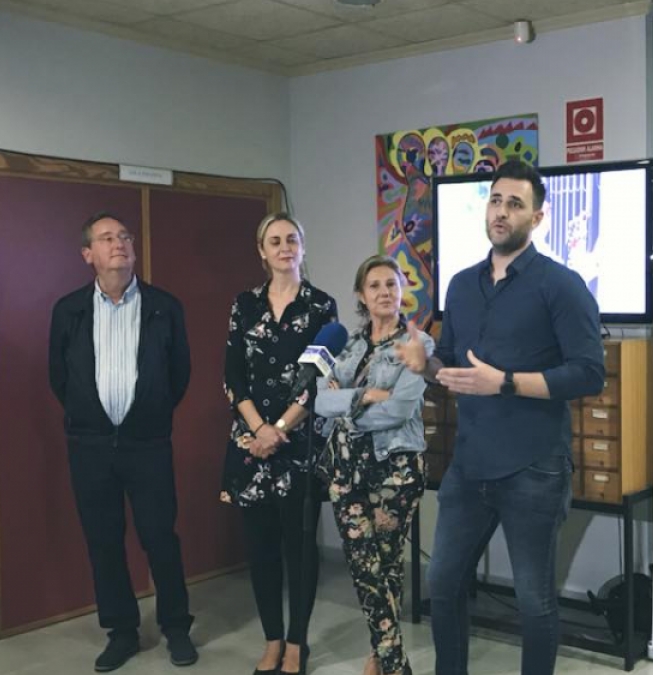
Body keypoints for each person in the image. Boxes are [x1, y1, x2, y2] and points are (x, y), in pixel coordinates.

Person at [396, 160, 605, 675]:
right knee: (443, 584)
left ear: (536, 217)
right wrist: (427, 366)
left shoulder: (561, 285)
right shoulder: (461, 286)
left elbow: (588, 374)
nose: (502, 212)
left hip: (534, 467)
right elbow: (451, 363)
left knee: (534, 601)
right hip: (470, 465)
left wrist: (506, 382)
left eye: (515, 204)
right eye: (495, 200)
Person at [48, 212, 197, 672]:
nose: (120, 243)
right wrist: (91, 416)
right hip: (90, 446)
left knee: (160, 537)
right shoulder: (68, 310)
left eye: (125, 237)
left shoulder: (164, 306)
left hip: (147, 443)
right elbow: (60, 377)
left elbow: (179, 374)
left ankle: (176, 627)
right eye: (107, 238)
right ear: (87, 254)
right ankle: (122, 631)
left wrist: (149, 410)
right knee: (103, 541)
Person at [221, 213, 338, 675]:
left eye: (292, 239)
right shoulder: (244, 304)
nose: (285, 247)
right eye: (275, 241)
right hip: (250, 446)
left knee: (300, 549)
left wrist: (280, 428)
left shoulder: (321, 306)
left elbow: (322, 377)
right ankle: (272, 640)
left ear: (302, 247)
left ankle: (296, 643)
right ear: (262, 251)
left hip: (299, 445)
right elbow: (232, 375)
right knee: (261, 550)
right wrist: (259, 430)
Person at [313, 255, 434, 675]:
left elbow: (400, 410)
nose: (384, 292)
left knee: (384, 564)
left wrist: (344, 404)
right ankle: (392, 661)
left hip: (395, 470)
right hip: (345, 471)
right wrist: (363, 396)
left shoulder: (418, 344)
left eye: (391, 284)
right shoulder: (345, 345)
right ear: (361, 296)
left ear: (402, 290)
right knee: (365, 566)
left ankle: (382, 658)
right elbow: (319, 402)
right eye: (375, 285)